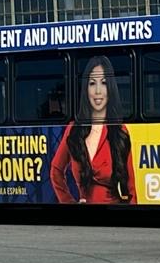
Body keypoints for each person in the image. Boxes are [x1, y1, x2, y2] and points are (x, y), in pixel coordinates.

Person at [50, 55, 136, 204]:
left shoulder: (120, 131)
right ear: (86, 88)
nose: (98, 91)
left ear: (110, 88)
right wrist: (69, 203)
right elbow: (56, 171)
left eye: (103, 83)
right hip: (85, 223)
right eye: (92, 83)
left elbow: (131, 188)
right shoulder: (74, 129)